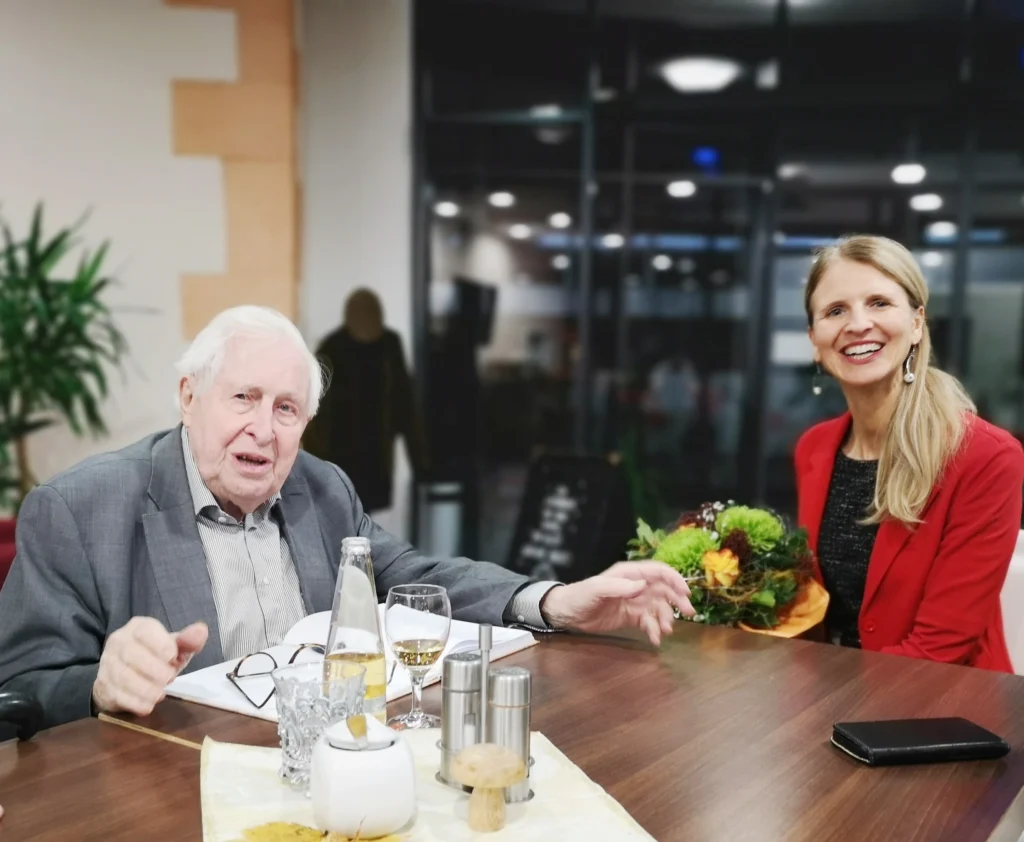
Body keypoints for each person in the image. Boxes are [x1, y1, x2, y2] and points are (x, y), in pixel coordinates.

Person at [0, 306, 694, 729]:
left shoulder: (322, 487)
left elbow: (413, 577)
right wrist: (97, 685)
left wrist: (556, 600)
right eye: (242, 397)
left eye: (286, 409)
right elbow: (19, 690)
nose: (263, 431)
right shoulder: (79, 509)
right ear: (189, 396)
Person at [797, 234, 1024, 671]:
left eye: (879, 303)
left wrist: (819, 710)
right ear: (814, 338)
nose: (858, 324)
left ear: (917, 323)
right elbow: (815, 613)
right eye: (835, 310)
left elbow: (941, 648)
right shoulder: (815, 448)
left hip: (941, 709)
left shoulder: (986, 457)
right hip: (829, 692)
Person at [302, 289, 427, 513]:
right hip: (340, 454)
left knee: (360, 517)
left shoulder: (389, 345)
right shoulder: (332, 348)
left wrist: (420, 463)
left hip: (374, 455)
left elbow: (404, 405)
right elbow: (314, 411)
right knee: (342, 513)